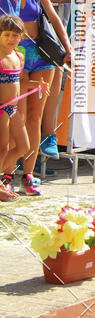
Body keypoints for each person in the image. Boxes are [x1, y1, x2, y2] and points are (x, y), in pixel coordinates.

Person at [0, 0, 71, 195]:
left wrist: (68, 48)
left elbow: (52, 15)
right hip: (13, 52)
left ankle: (29, 175)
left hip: (41, 52)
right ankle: (8, 175)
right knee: (15, 115)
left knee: (35, 116)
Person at [28, 0, 72, 159]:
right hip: (35, 36)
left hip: (55, 35)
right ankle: (40, 142)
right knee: (35, 97)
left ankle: (45, 140)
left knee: (52, 86)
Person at [0, 16, 39, 201]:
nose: (11, 39)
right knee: (2, 148)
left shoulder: (19, 56)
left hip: (13, 108)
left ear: (22, 36)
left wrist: (36, 85)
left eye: (15, 35)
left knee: (24, 147)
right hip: (1, 109)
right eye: (6, 35)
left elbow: (19, 84)